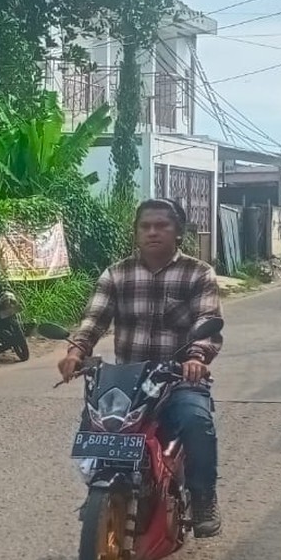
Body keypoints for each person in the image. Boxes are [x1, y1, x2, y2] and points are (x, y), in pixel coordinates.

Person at [59, 198, 225, 537]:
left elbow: (208, 320)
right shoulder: (117, 274)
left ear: (178, 232)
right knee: (94, 427)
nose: (152, 232)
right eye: (145, 226)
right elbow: (94, 318)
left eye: (161, 226)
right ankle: (101, 495)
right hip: (130, 382)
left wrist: (196, 358)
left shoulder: (198, 273)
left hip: (179, 379)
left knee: (196, 421)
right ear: (136, 233)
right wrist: (76, 350)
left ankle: (203, 496)